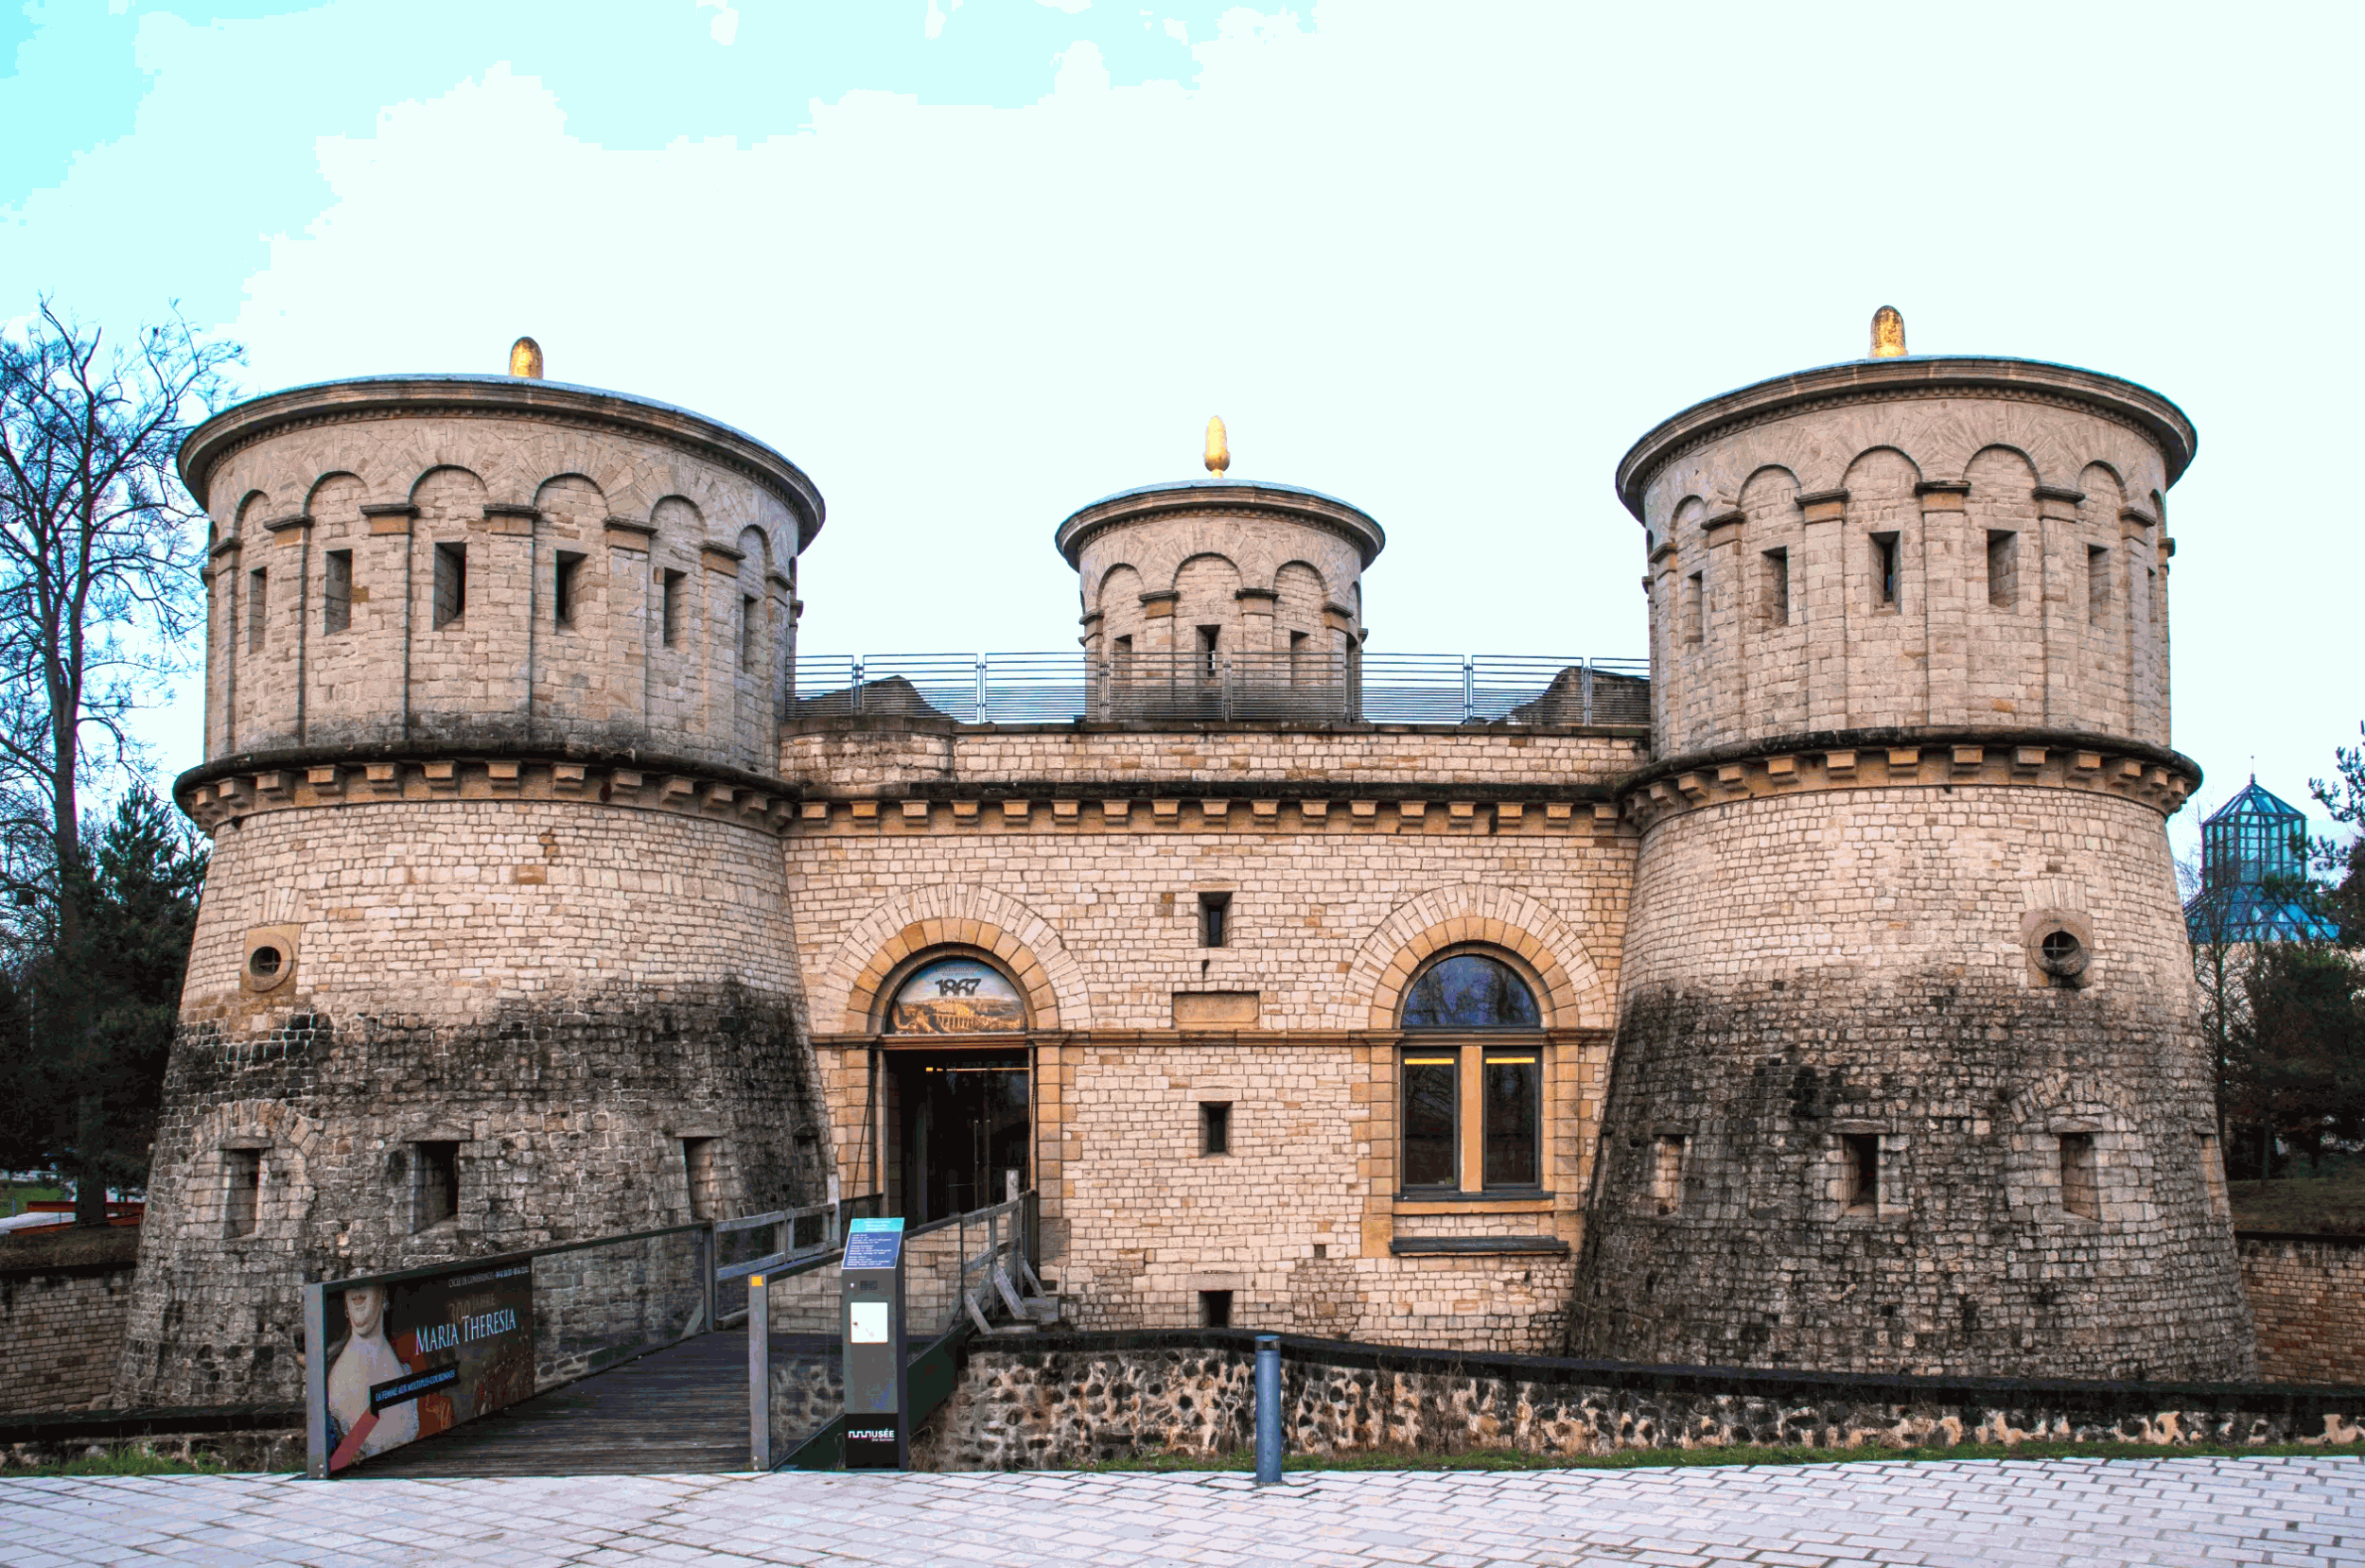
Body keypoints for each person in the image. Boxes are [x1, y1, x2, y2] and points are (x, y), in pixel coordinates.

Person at [324, 1283, 418, 1460]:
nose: (358, 1291)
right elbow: (339, 1458)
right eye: (351, 1286)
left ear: (385, 1298)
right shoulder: (333, 1379)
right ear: (345, 1304)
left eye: (366, 1284)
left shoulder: (411, 1366)